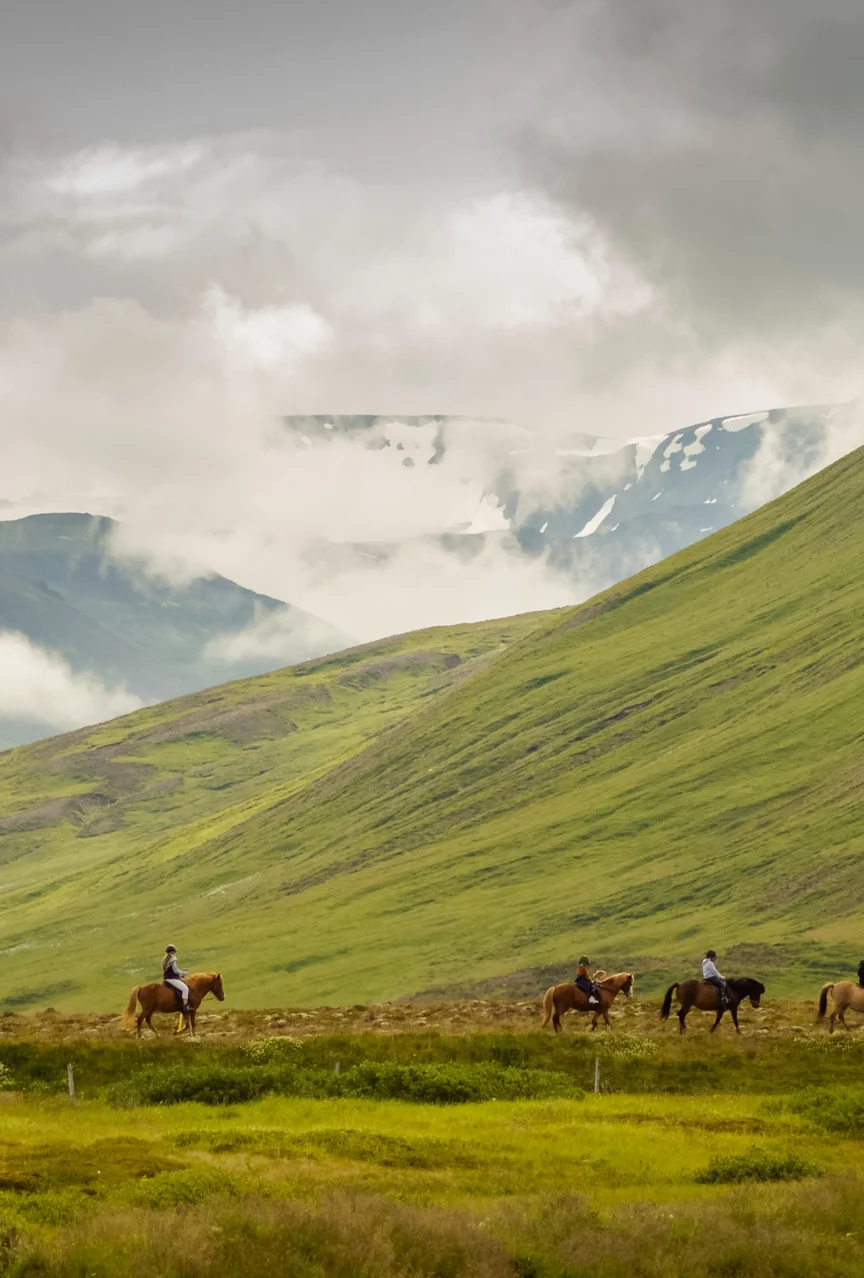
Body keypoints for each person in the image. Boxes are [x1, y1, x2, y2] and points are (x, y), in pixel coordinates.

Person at [162, 945, 190, 1012]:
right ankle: (185, 1006)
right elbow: (175, 971)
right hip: (172, 979)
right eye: (173, 952)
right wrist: (184, 973)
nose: (174, 953)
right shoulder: (172, 959)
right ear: (172, 952)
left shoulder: (165, 959)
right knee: (185, 989)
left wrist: (180, 974)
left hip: (168, 978)